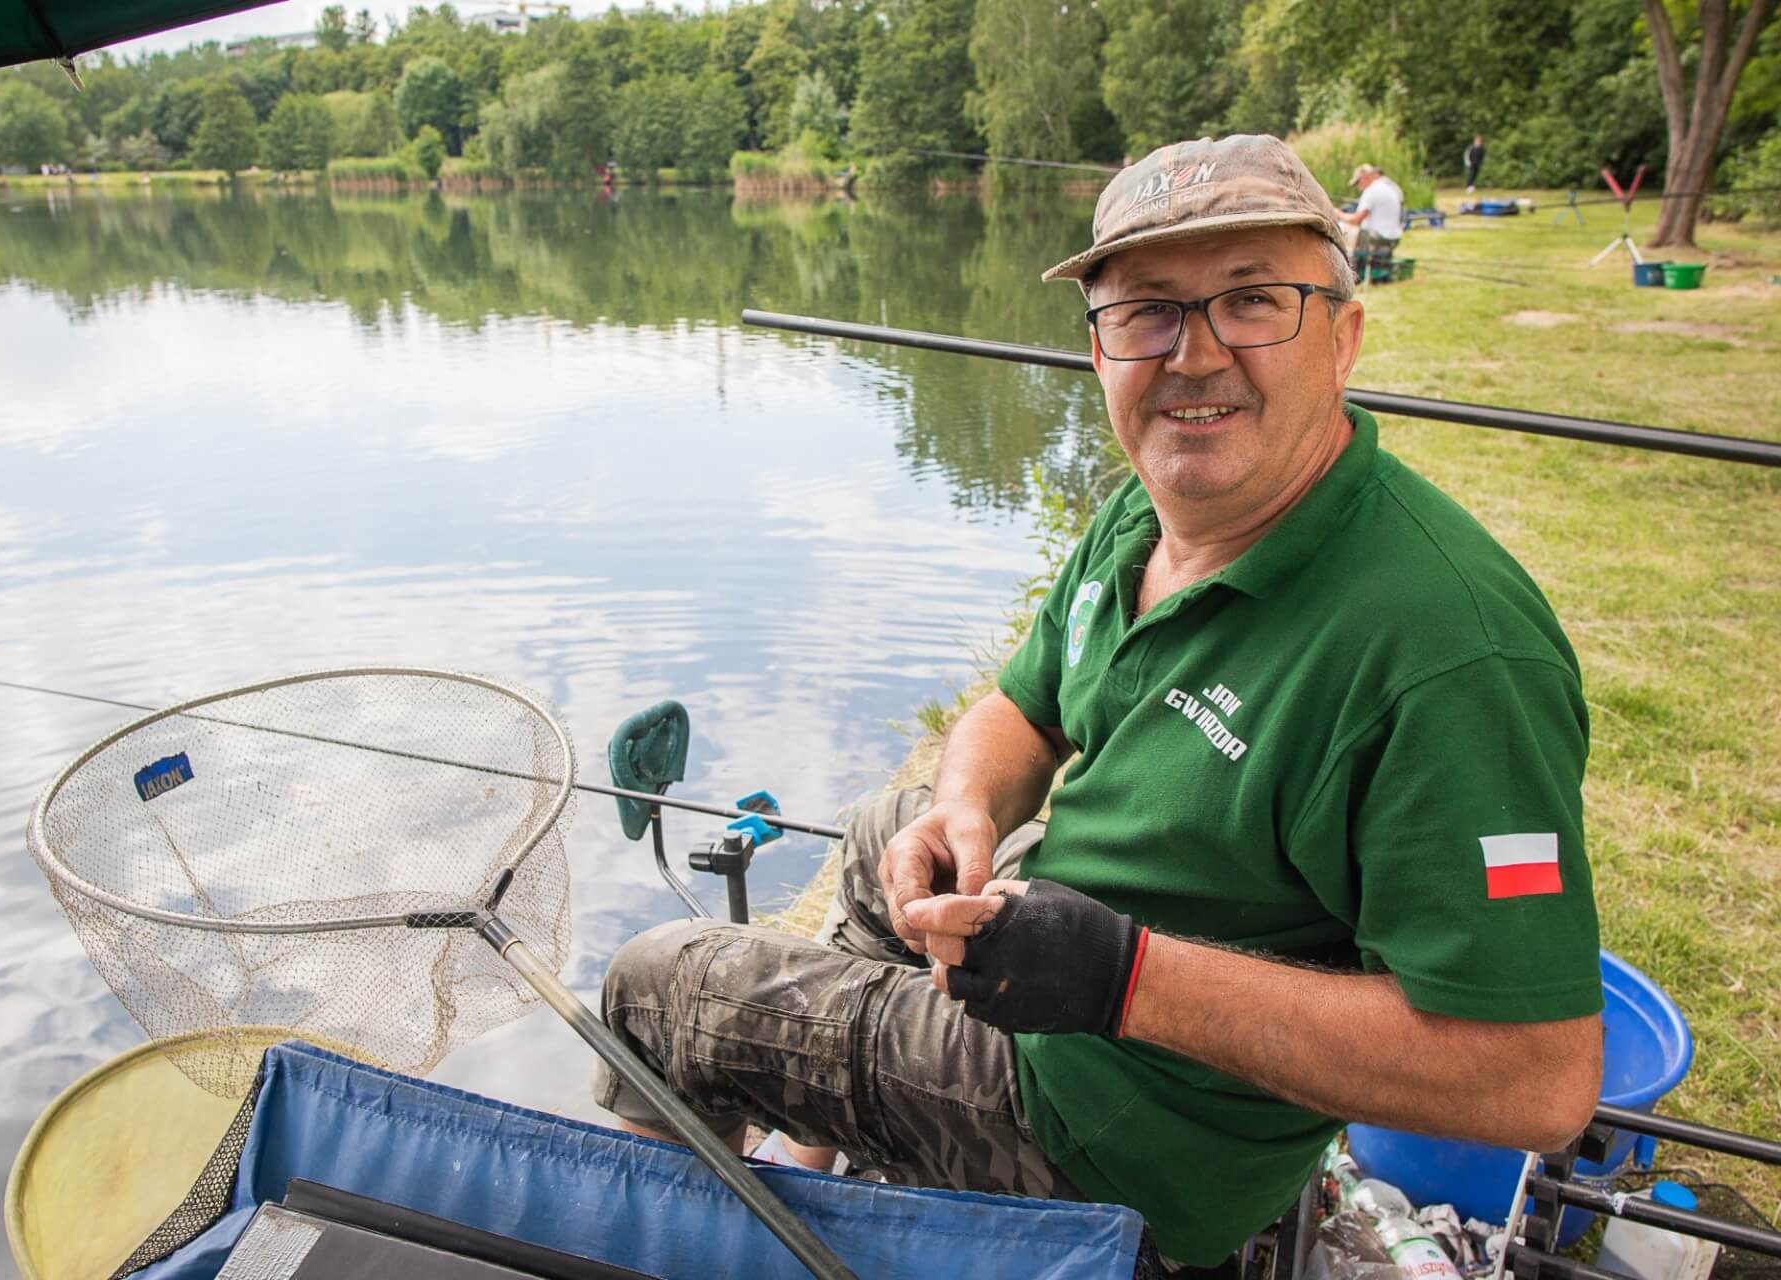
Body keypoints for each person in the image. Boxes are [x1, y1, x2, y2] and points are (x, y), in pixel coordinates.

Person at [592, 133, 1603, 1269]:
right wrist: (965, 805)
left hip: (1121, 1133)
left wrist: (1129, 976)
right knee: (896, 828)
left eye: (1254, 302)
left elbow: (1540, 1077)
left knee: (657, 987)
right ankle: (820, 1171)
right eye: (1148, 313)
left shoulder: (1451, 651)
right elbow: (1020, 710)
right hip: (1085, 978)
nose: (1196, 356)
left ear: (1345, 337)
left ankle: (682, 1248)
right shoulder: (1152, 509)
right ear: (1100, 347)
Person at [1339, 162, 1405, 282]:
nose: (1359, 187)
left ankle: (1350, 274)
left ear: (1365, 177)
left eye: (1358, 182)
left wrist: (1337, 214)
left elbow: (1356, 220)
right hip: (1394, 237)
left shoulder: (1371, 190)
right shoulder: (1388, 186)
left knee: (1340, 229)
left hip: (1380, 237)